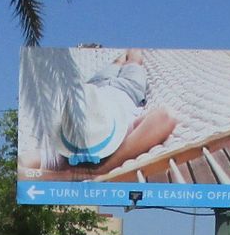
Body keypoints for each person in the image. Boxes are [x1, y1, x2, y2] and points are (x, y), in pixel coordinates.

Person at [21, 49, 176, 178]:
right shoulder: (122, 136)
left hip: (94, 89)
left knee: (119, 61)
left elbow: (21, 166)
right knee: (133, 61)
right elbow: (165, 117)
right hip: (127, 88)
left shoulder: (62, 158)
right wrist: (102, 169)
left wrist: (86, 172)